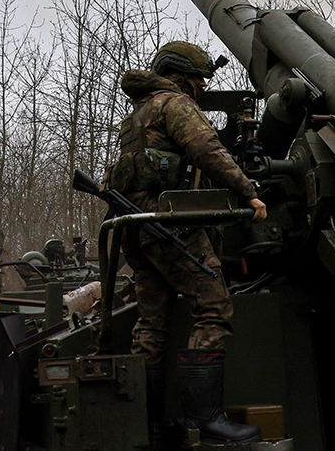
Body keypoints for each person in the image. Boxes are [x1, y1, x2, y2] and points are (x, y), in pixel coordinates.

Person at [106, 41, 267, 448]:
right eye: (198, 79)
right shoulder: (173, 105)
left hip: (137, 230)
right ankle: (206, 419)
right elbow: (207, 149)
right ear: (181, 77)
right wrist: (248, 191)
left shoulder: (135, 117)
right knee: (214, 304)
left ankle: (148, 427)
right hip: (171, 226)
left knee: (151, 325)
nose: (201, 87)